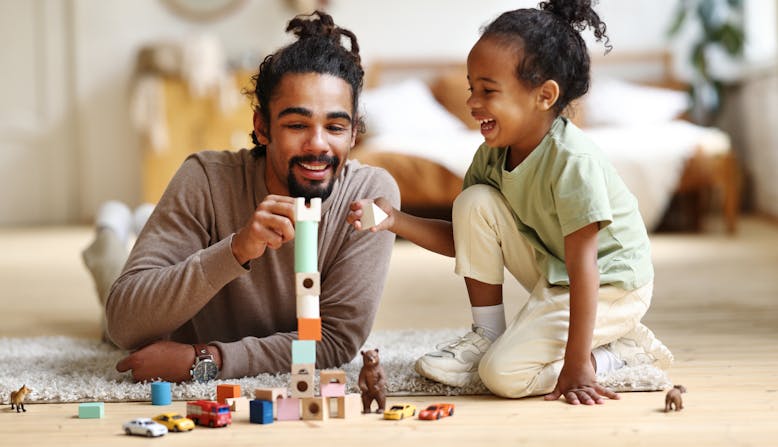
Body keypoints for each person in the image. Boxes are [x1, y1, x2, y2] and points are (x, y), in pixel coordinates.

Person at [348, 0, 672, 404]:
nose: (472, 103)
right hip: (556, 269)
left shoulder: (573, 162)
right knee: (473, 201)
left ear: (544, 95)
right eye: (472, 88)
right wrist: (394, 219)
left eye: (488, 91)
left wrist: (576, 362)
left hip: (610, 283)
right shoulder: (492, 154)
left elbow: (584, 266)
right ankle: (487, 333)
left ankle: (614, 355)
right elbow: (466, 236)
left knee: (502, 376)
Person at [82, 11, 400, 383]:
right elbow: (125, 324)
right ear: (262, 127)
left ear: (353, 134)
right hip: (175, 312)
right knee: (111, 309)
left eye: (334, 127)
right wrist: (236, 250)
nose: (317, 144)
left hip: (197, 332)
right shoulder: (204, 178)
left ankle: (127, 232)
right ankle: (107, 244)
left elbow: (332, 342)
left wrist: (206, 359)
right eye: (297, 125)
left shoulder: (370, 196)